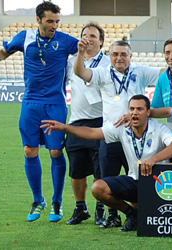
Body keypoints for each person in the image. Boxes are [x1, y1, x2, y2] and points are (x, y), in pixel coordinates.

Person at [41, 95, 172, 232]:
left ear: (148, 113)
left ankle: (142, 212)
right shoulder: (123, 128)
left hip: (157, 183)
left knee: (154, 218)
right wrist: (65, 127)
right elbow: (92, 133)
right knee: (98, 188)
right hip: (134, 179)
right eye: (132, 109)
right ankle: (131, 213)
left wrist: (154, 160)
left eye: (139, 109)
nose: (135, 112)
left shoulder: (159, 128)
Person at [0, 1, 78, 222]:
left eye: (57, 21)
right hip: (30, 102)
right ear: (38, 20)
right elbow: (0, 55)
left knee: (55, 152)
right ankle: (38, 200)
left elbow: (90, 52)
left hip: (55, 103)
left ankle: (57, 202)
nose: (54, 26)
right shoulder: (24, 37)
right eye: (50, 21)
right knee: (30, 150)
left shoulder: (66, 41)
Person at [74, 40, 162, 228]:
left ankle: (138, 215)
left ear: (130, 56)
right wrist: (81, 54)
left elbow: (164, 75)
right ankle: (114, 216)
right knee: (108, 179)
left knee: (135, 178)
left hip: (135, 136)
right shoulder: (103, 73)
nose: (119, 58)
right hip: (111, 135)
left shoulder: (140, 71)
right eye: (115, 54)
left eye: (123, 54)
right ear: (110, 56)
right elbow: (80, 72)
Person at [64, 23, 110, 225]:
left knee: (101, 169)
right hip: (76, 121)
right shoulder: (72, 61)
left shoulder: (110, 62)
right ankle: (80, 208)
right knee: (76, 169)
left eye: (93, 35)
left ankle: (101, 209)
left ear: (101, 41)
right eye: (85, 35)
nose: (88, 38)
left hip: (101, 121)